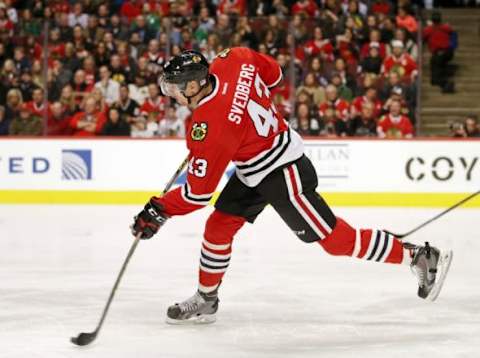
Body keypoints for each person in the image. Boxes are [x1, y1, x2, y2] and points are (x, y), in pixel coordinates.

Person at [131, 48, 452, 324]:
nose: (172, 96)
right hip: (254, 166)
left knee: (334, 240)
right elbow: (275, 75)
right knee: (218, 228)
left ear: (194, 84)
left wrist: (160, 209)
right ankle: (206, 299)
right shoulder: (234, 58)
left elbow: (198, 193)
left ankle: (418, 256)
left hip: (284, 170)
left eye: (175, 90)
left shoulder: (209, 125)